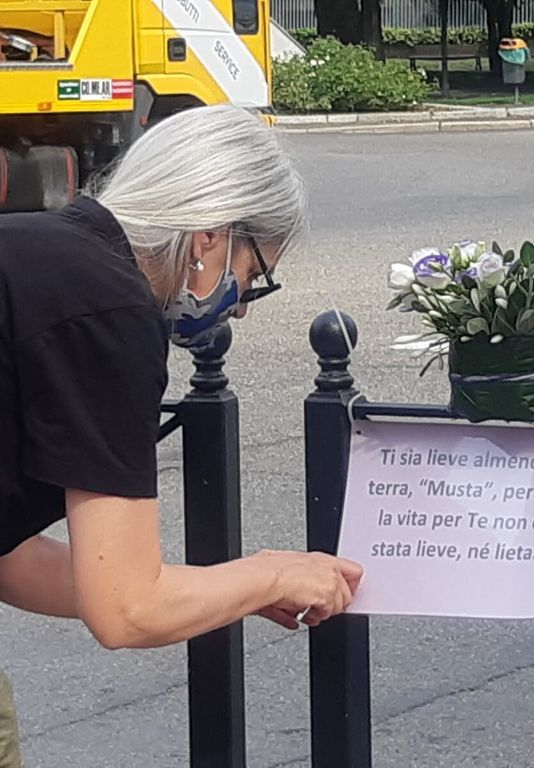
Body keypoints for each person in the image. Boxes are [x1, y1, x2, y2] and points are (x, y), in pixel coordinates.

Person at [0, 105, 363, 766]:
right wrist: (270, 570)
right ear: (211, 235)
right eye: (254, 275)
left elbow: (13, 560)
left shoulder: (36, 253)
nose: (243, 306)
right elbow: (127, 610)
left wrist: (232, 589)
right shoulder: (107, 309)